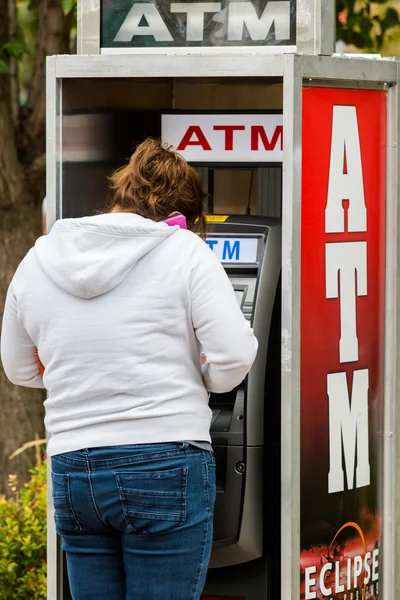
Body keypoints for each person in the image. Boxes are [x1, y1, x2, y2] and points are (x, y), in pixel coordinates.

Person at [0, 138, 258, 600]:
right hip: (165, 461)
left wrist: (83, 374)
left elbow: (18, 367)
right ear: (179, 215)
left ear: (120, 194)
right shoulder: (185, 251)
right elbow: (234, 355)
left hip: (75, 467)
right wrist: (197, 378)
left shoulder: (38, 259)